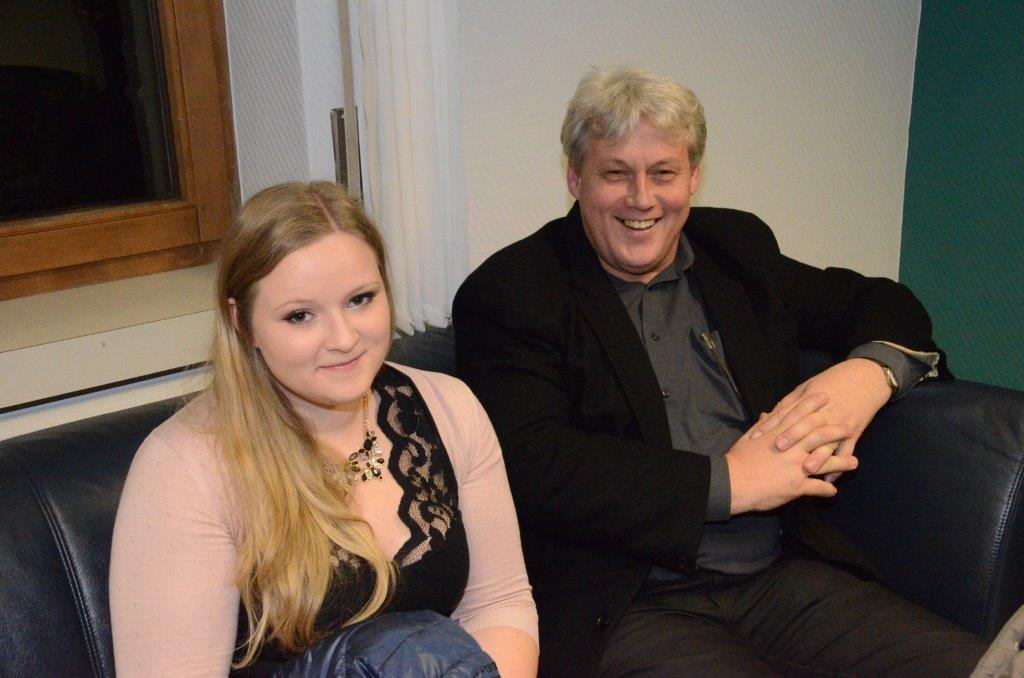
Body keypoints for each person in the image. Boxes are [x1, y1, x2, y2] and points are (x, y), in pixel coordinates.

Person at [453, 67, 987, 676]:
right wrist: (732, 482)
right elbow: (532, 463)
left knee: (981, 668)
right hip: (628, 604)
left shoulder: (735, 250)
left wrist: (867, 377)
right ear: (575, 178)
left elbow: (880, 301)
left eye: (663, 173)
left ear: (693, 178)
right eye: (615, 173)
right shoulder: (513, 291)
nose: (641, 198)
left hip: (780, 576)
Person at [110, 182, 539, 677]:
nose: (343, 338)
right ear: (242, 322)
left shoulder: (449, 408)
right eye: (300, 315)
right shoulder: (183, 467)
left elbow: (498, 605)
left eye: (360, 299)